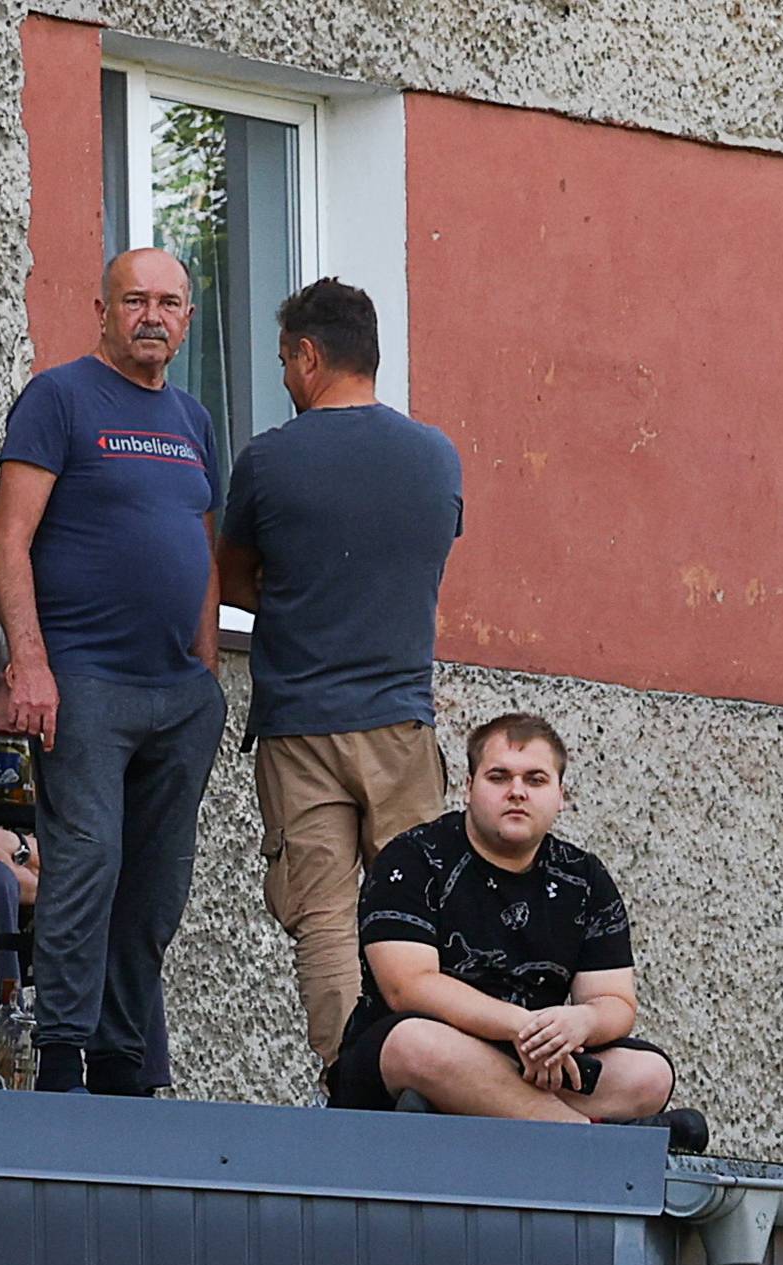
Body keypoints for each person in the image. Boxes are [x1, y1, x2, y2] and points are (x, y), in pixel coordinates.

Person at [0, 248, 227, 1093]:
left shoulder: (195, 420)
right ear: (102, 309)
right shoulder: (59, 398)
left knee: (157, 885)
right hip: (85, 680)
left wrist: (206, 674)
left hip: (178, 695)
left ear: (187, 320)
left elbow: (202, 548)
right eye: (134, 300)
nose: (151, 316)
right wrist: (32, 663)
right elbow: (8, 537)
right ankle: (61, 1055)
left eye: (168, 302)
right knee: (85, 862)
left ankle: (123, 1058)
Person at [218, 278, 463, 1074]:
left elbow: (231, 579)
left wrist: (297, 599)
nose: (286, 376)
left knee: (323, 915)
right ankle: (425, 1069)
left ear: (311, 356)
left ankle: (345, 1077)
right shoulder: (436, 457)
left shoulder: (269, 460)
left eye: (287, 359)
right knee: (417, 912)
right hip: (402, 720)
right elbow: (424, 566)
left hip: (301, 724)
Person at [328, 713, 704, 1145]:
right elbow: (407, 986)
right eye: (499, 776)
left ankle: (473, 1109)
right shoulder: (413, 857)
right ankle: (586, 1139)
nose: (517, 792)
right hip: (404, 1060)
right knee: (419, 1043)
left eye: (536, 780)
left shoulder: (584, 878)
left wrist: (579, 1022)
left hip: (530, 1061)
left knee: (648, 1074)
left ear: (561, 796)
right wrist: (525, 1029)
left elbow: (615, 1001)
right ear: (468, 788)